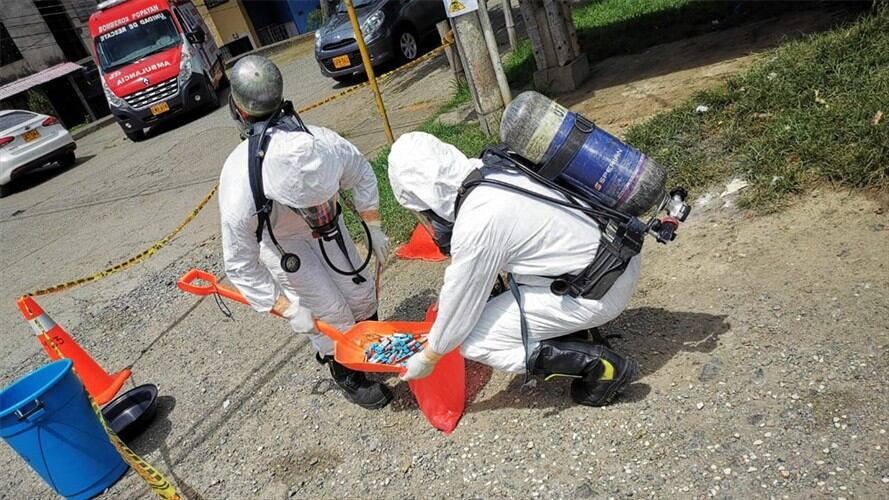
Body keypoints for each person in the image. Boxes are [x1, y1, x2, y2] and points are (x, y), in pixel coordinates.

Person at [388, 132, 640, 407]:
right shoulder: (497, 166)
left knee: (475, 340)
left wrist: (429, 357)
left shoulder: (476, 222)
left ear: (426, 200)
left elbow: (458, 313)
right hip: (617, 255)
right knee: (517, 276)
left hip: (602, 291)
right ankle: (574, 334)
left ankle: (601, 369)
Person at [219, 55, 392, 409]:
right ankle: (347, 373)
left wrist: (373, 227)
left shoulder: (323, 144)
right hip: (284, 241)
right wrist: (285, 307)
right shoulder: (240, 187)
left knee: (361, 294)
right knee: (331, 312)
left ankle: (369, 349)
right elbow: (240, 265)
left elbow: (361, 173)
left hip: (330, 225)